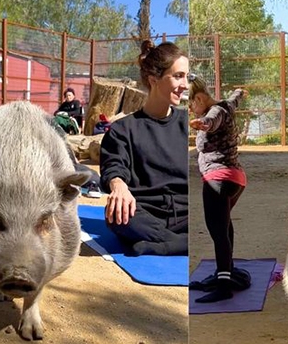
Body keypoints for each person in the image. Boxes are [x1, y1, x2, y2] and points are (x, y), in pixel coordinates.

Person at [100, 41, 188, 256]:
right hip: (145, 215)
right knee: (117, 215)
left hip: (187, 214)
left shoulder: (187, 124)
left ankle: (166, 245)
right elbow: (114, 166)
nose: (185, 84)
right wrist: (118, 186)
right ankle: (181, 244)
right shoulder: (122, 129)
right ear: (153, 80)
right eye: (178, 76)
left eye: (187, 76)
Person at [188, 76, 249, 303]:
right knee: (224, 226)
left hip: (219, 179)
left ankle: (223, 285)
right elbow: (233, 100)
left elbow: (211, 121)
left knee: (217, 232)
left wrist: (201, 124)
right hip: (235, 179)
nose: (191, 109)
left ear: (201, 97)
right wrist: (240, 92)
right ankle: (226, 273)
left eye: (192, 104)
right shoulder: (226, 105)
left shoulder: (214, 112)